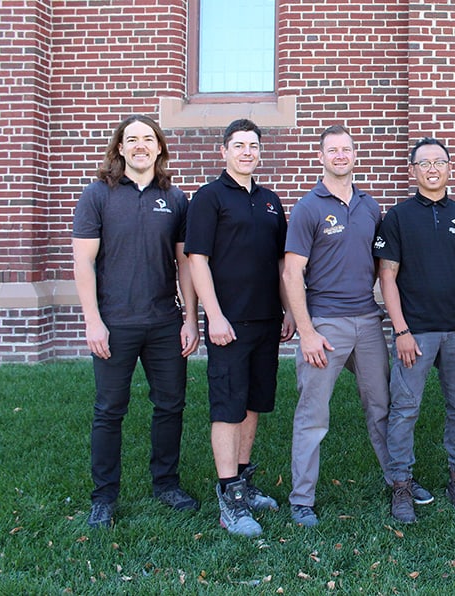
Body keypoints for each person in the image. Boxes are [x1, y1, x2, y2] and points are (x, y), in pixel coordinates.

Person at [283, 125, 434, 529]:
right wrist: (307, 330)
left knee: (382, 406)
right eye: (331, 150)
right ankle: (302, 500)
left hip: (368, 321)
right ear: (321, 157)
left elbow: (384, 267)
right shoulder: (307, 208)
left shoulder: (370, 207)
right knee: (313, 415)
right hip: (326, 324)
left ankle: (398, 480)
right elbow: (292, 273)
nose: (339, 155)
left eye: (346, 149)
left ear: (355, 155)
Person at [73, 114, 201, 529]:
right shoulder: (97, 195)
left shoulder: (176, 198)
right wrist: (93, 321)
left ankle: (165, 483)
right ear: (120, 148)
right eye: (132, 140)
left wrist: (191, 319)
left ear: (160, 147)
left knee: (170, 405)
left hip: (165, 321)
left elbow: (185, 264)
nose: (141, 145)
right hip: (115, 323)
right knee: (109, 410)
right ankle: (104, 496)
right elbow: (83, 262)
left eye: (148, 138)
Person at [373, 137, 455, 523]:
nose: (432, 168)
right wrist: (401, 330)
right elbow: (386, 277)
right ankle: (401, 485)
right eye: (424, 163)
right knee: (405, 409)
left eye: (439, 162)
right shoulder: (397, 217)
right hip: (416, 333)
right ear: (413, 171)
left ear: (449, 168)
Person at [186, 119, 294, 537]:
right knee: (227, 406)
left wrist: (286, 310)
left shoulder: (270, 201)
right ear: (224, 151)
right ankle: (228, 494)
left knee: (253, 403)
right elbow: (198, 260)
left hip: (266, 321)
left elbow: (282, 263)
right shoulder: (208, 198)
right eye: (239, 145)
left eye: (253, 145)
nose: (247, 152)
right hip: (227, 323)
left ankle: (244, 483)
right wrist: (212, 316)